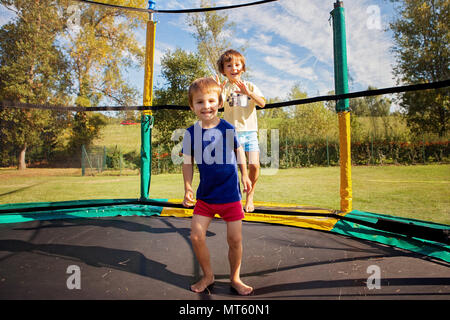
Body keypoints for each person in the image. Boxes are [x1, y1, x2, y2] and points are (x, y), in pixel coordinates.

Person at [182, 77, 254, 296]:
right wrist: (187, 187)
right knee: (196, 236)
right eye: (200, 102)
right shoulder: (190, 133)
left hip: (230, 195)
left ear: (220, 102)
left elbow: (239, 151)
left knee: (235, 239)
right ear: (192, 106)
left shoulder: (227, 128)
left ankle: (235, 278)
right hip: (206, 196)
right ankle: (208, 276)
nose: (206, 106)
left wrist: (244, 175)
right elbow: (187, 162)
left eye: (211, 101)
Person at [216, 49, 266, 213]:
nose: (233, 68)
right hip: (231, 134)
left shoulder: (250, 86)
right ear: (224, 71)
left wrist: (248, 93)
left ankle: (249, 196)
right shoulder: (223, 89)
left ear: (242, 68)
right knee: (233, 169)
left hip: (250, 132)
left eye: (237, 65)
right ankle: (234, 198)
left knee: (254, 165)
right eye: (229, 65)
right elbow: (218, 106)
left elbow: (262, 103)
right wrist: (217, 91)